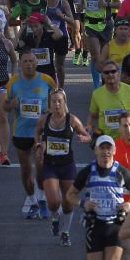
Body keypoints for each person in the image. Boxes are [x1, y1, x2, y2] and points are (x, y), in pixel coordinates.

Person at [72, 135, 130, 260]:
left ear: (114, 151)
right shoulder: (88, 171)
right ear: (96, 150)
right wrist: (83, 204)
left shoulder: (121, 172)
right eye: (102, 148)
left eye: (109, 148)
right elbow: (70, 194)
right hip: (95, 224)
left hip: (115, 224)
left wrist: (129, 204)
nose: (105, 152)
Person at [4, 50, 58, 219]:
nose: (29, 64)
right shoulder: (14, 82)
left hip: (41, 131)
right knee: (26, 170)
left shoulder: (46, 80)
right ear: (20, 64)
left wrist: (52, 110)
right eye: (25, 61)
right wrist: (12, 104)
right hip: (21, 132)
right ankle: (33, 201)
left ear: (36, 63)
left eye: (31, 61)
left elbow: (60, 97)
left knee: (41, 166)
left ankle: (42, 199)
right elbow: (4, 107)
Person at [35, 88, 91, 247]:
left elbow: (86, 134)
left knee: (68, 202)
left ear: (64, 102)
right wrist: (39, 145)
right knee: (53, 201)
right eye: (54, 101)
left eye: (60, 101)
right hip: (50, 165)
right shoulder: (44, 119)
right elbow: (37, 133)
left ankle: (65, 232)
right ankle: (55, 217)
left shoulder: (72, 120)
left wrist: (85, 138)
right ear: (50, 103)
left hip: (67, 165)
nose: (57, 104)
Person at [88, 60, 130, 140]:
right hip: (106, 141)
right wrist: (89, 126)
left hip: (126, 138)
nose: (110, 74)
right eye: (106, 72)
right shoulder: (96, 94)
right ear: (102, 75)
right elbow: (93, 115)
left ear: (118, 73)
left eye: (113, 71)